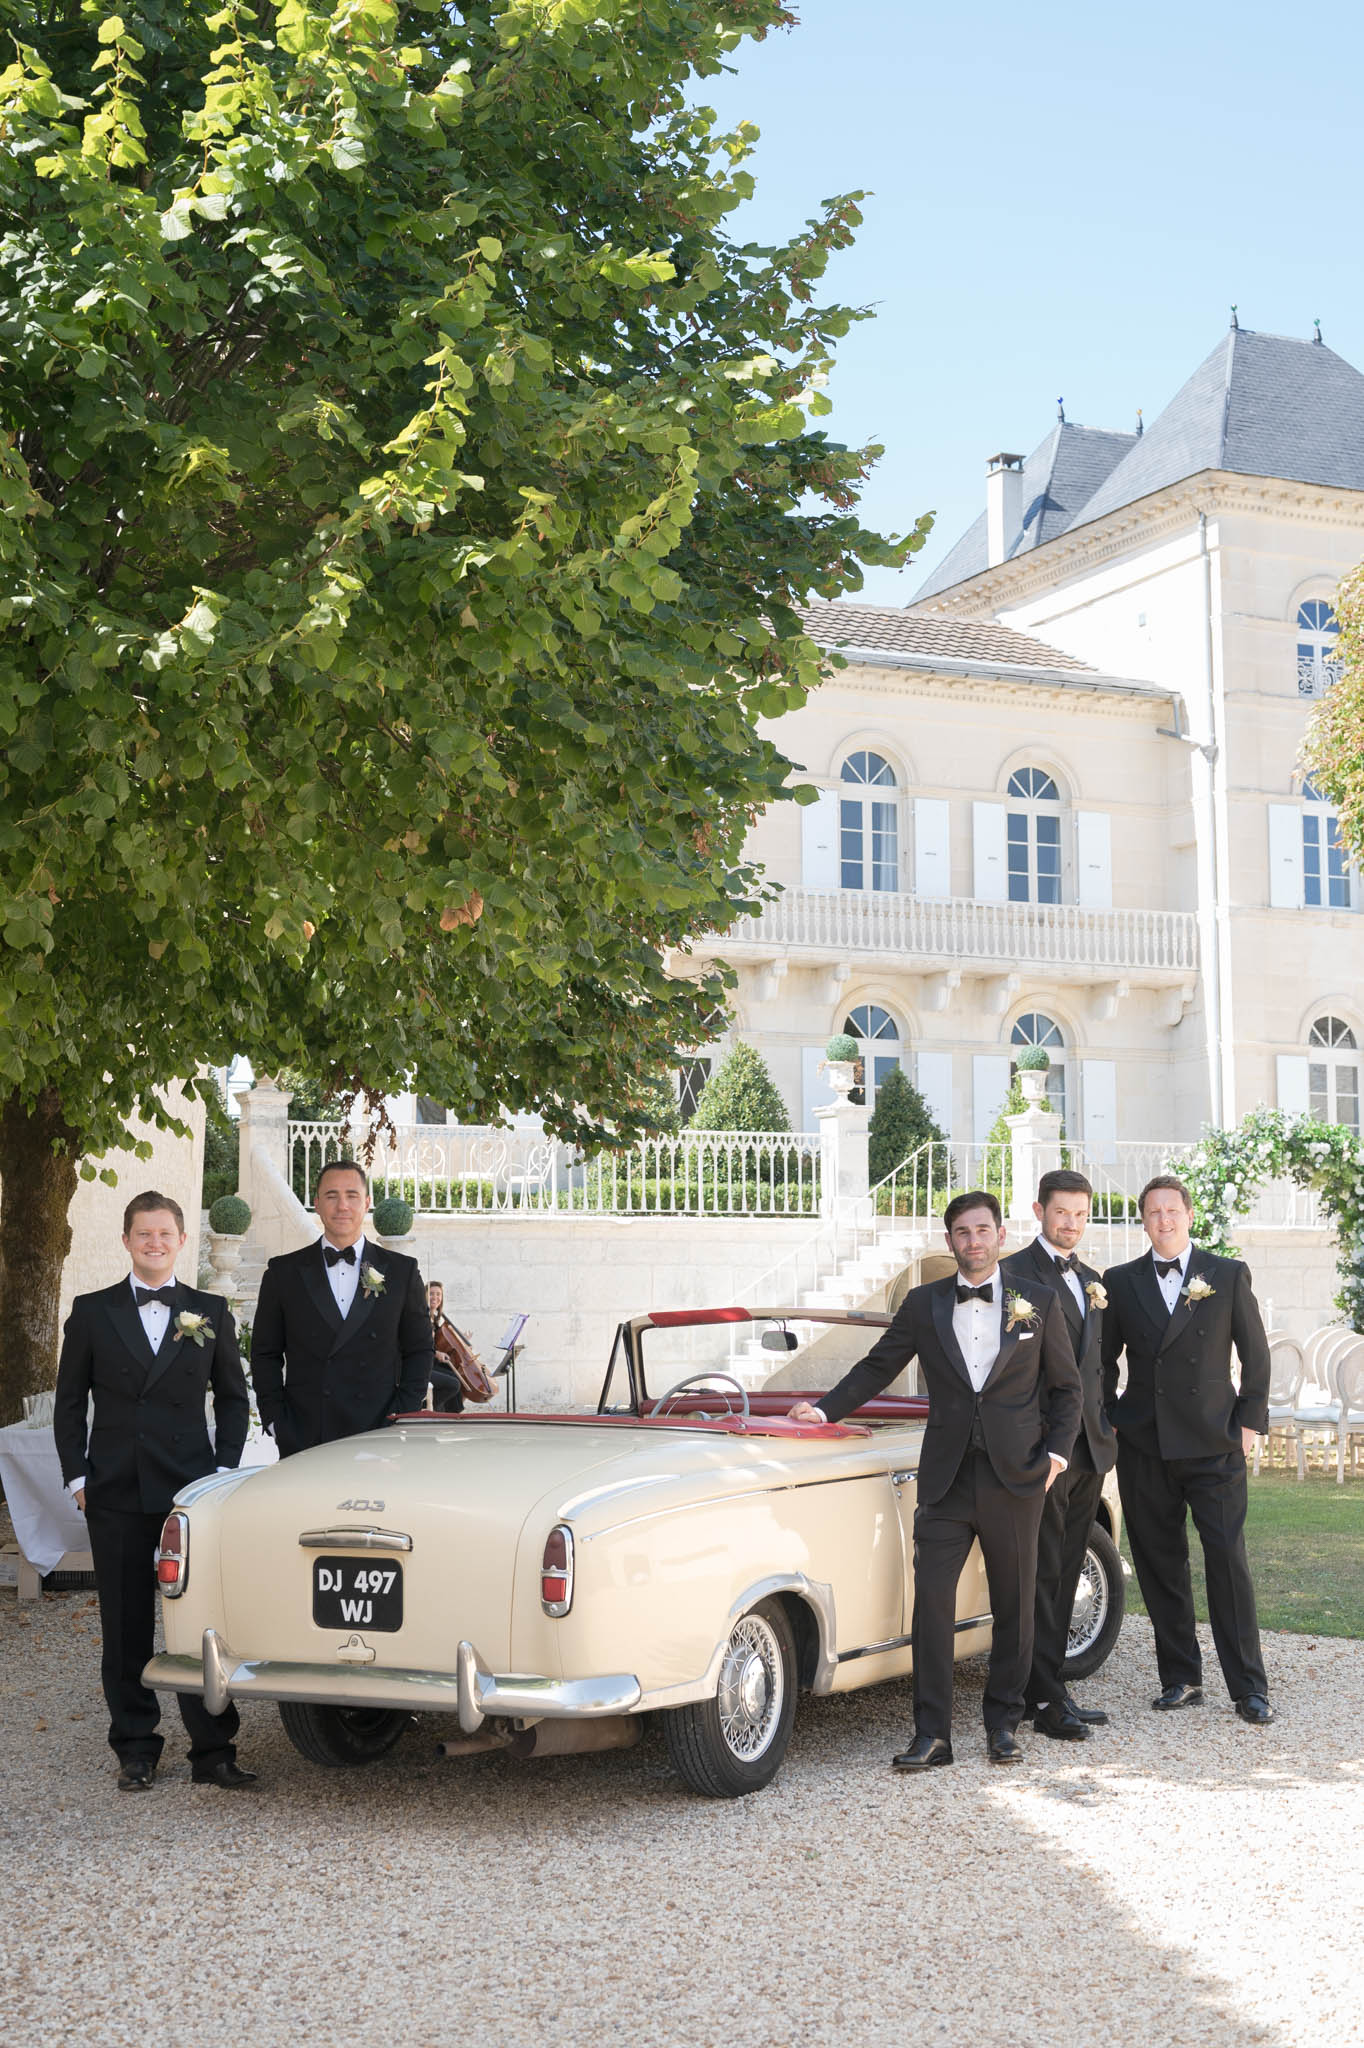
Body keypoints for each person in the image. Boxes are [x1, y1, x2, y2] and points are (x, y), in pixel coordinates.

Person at [789, 1189, 1081, 1771]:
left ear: (999, 1235)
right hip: (946, 1478)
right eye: (962, 1233)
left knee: (1015, 1606)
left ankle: (1003, 1725)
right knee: (932, 1607)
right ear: (950, 1242)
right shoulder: (924, 1305)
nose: (973, 1241)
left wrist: (1055, 1458)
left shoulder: (1038, 1300)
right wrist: (824, 1411)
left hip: (1016, 1478)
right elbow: (878, 1365)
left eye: (982, 1230)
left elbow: (1068, 1389)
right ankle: (933, 1734)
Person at [53, 1190, 255, 1792]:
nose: (155, 1244)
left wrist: (221, 1474)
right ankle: (135, 1747)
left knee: (198, 1625)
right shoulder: (92, 1311)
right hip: (114, 1491)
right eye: (144, 1234)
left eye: (165, 1234)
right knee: (125, 1626)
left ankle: (213, 1750)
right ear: (126, 1241)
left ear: (182, 1240)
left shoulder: (210, 1309)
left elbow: (235, 1400)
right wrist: (78, 1478)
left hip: (189, 1494)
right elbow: (69, 1405)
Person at [1101, 1175, 1274, 1724]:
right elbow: (1102, 1362)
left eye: (1172, 1210)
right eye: (1153, 1212)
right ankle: (1181, 1678)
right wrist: (1109, 1420)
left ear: (1189, 1215)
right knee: (1159, 1565)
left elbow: (1257, 1354)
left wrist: (1248, 1424)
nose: (1164, 1220)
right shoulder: (1120, 1281)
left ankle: (1248, 1685)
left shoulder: (1225, 1273)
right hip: (1145, 1444)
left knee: (1226, 1561)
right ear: (1143, 1220)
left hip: (1213, 1442)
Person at [1001, 1168, 1118, 1741]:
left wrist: (1106, 1427)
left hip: (1090, 1448)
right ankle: (1042, 1697)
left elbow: (1100, 1365)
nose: (1070, 1223)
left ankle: (1048, 1689)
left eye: (1079, 1213)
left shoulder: (1093, 1280)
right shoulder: (1014, 1274)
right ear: (1038, 1211)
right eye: (1060, 1212)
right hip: (1044, 1451)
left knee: (1067, 1570)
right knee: (1042, 1572)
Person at [251, 1160, 432, 1454]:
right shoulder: (283, 1272)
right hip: (304, 1435)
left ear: (367, 1203)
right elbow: (265, 1353)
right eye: (332, 1196)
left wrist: (402, 1415)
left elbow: (420, 1349)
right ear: (317, 1204)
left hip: (379, 1434)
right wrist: (275, 1420)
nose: (342, 1206)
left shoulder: (402, 1271)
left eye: (352, 1196)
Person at [428, 1281, 465, 1413]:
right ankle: (430, 1408)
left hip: (432, 1363)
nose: (435, 1297)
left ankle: (452, 1413)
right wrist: (436, 1353)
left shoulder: (435, 1319)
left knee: (455, 1375)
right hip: (425, 1365)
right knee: (454, 1383)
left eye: (438, 1294)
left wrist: (458, 1342)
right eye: (431, 1293)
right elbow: (422, 1346)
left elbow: (438, 1344)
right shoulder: (422, 1318)